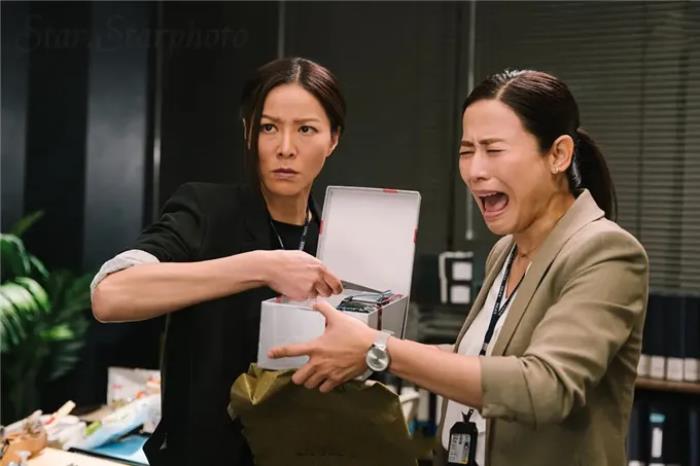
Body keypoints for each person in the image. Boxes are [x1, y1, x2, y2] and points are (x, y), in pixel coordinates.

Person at [269, 69, 650, 466]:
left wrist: (379, 349)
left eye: (494, 150)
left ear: (558, 155)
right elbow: (485, 355)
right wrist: (362, 349)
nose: (475, 170)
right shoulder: (506, 250)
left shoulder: (605, 252)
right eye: (467, 151)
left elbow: (545, 386)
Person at [90, 57, 346, 466]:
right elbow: (110, 295)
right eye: (268, 127)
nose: (285, 147)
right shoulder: (206, 211)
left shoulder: (336, 239)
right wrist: (261, 267)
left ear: (333, 139)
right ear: (248, 133)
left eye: (306, 129)